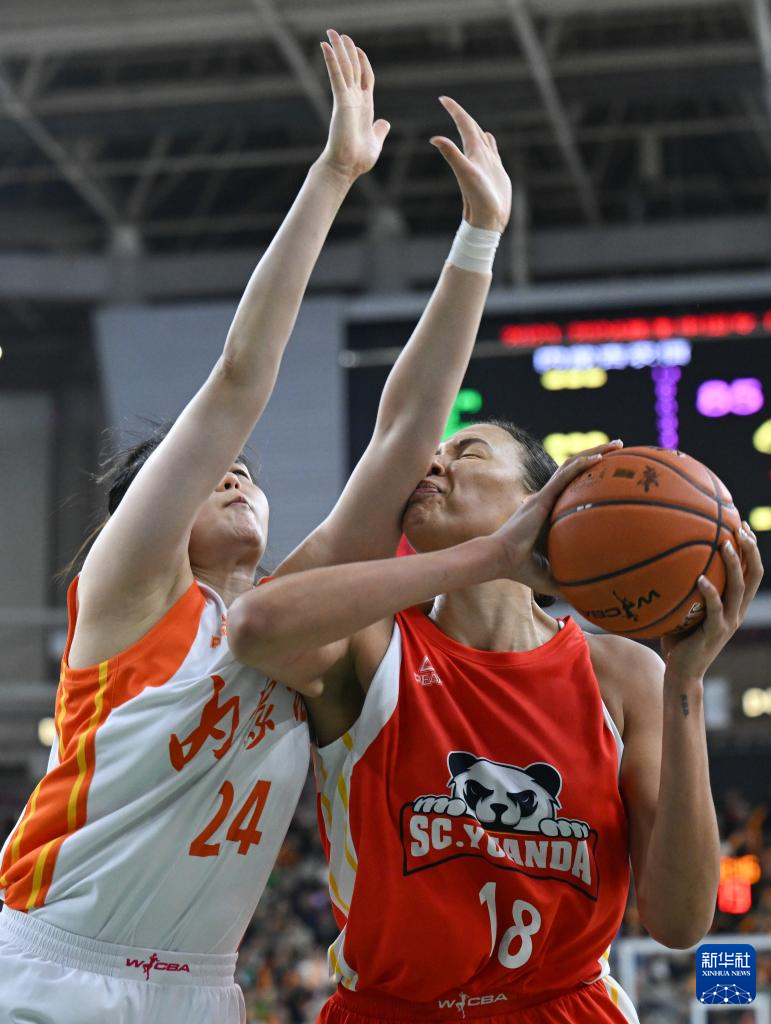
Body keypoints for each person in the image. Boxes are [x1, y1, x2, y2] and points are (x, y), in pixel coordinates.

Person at [0, 30, 497, 1024]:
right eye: (208, 473)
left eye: (248, 475)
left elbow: (402, 437)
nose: (235, 473)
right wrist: (333, 174)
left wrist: (479, 239)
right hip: (52, 963)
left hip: (200, 989)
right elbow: (238, 381)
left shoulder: (286, 618)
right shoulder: (128, 593)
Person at [229, 416, 763, 1024]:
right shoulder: (371, 646)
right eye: (433, 453)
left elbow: (681, 921)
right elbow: (253, 625)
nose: (432, 464)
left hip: (566, 1007)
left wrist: (685, 683)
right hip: (394, 1011)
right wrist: (489, 556)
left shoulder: (621, 674)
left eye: (469, 452)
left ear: (541, 501)